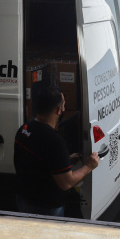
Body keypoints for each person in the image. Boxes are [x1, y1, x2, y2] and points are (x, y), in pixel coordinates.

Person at [14, 86, 98, 217]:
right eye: (64, 105)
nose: (64, 108)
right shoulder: (54, 141)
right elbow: (66, 183)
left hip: (24, 200)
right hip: (47, 208)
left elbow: (37, 162)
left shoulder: (24, 129)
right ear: (59, 110)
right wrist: (89, 166)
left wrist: (65, 161)